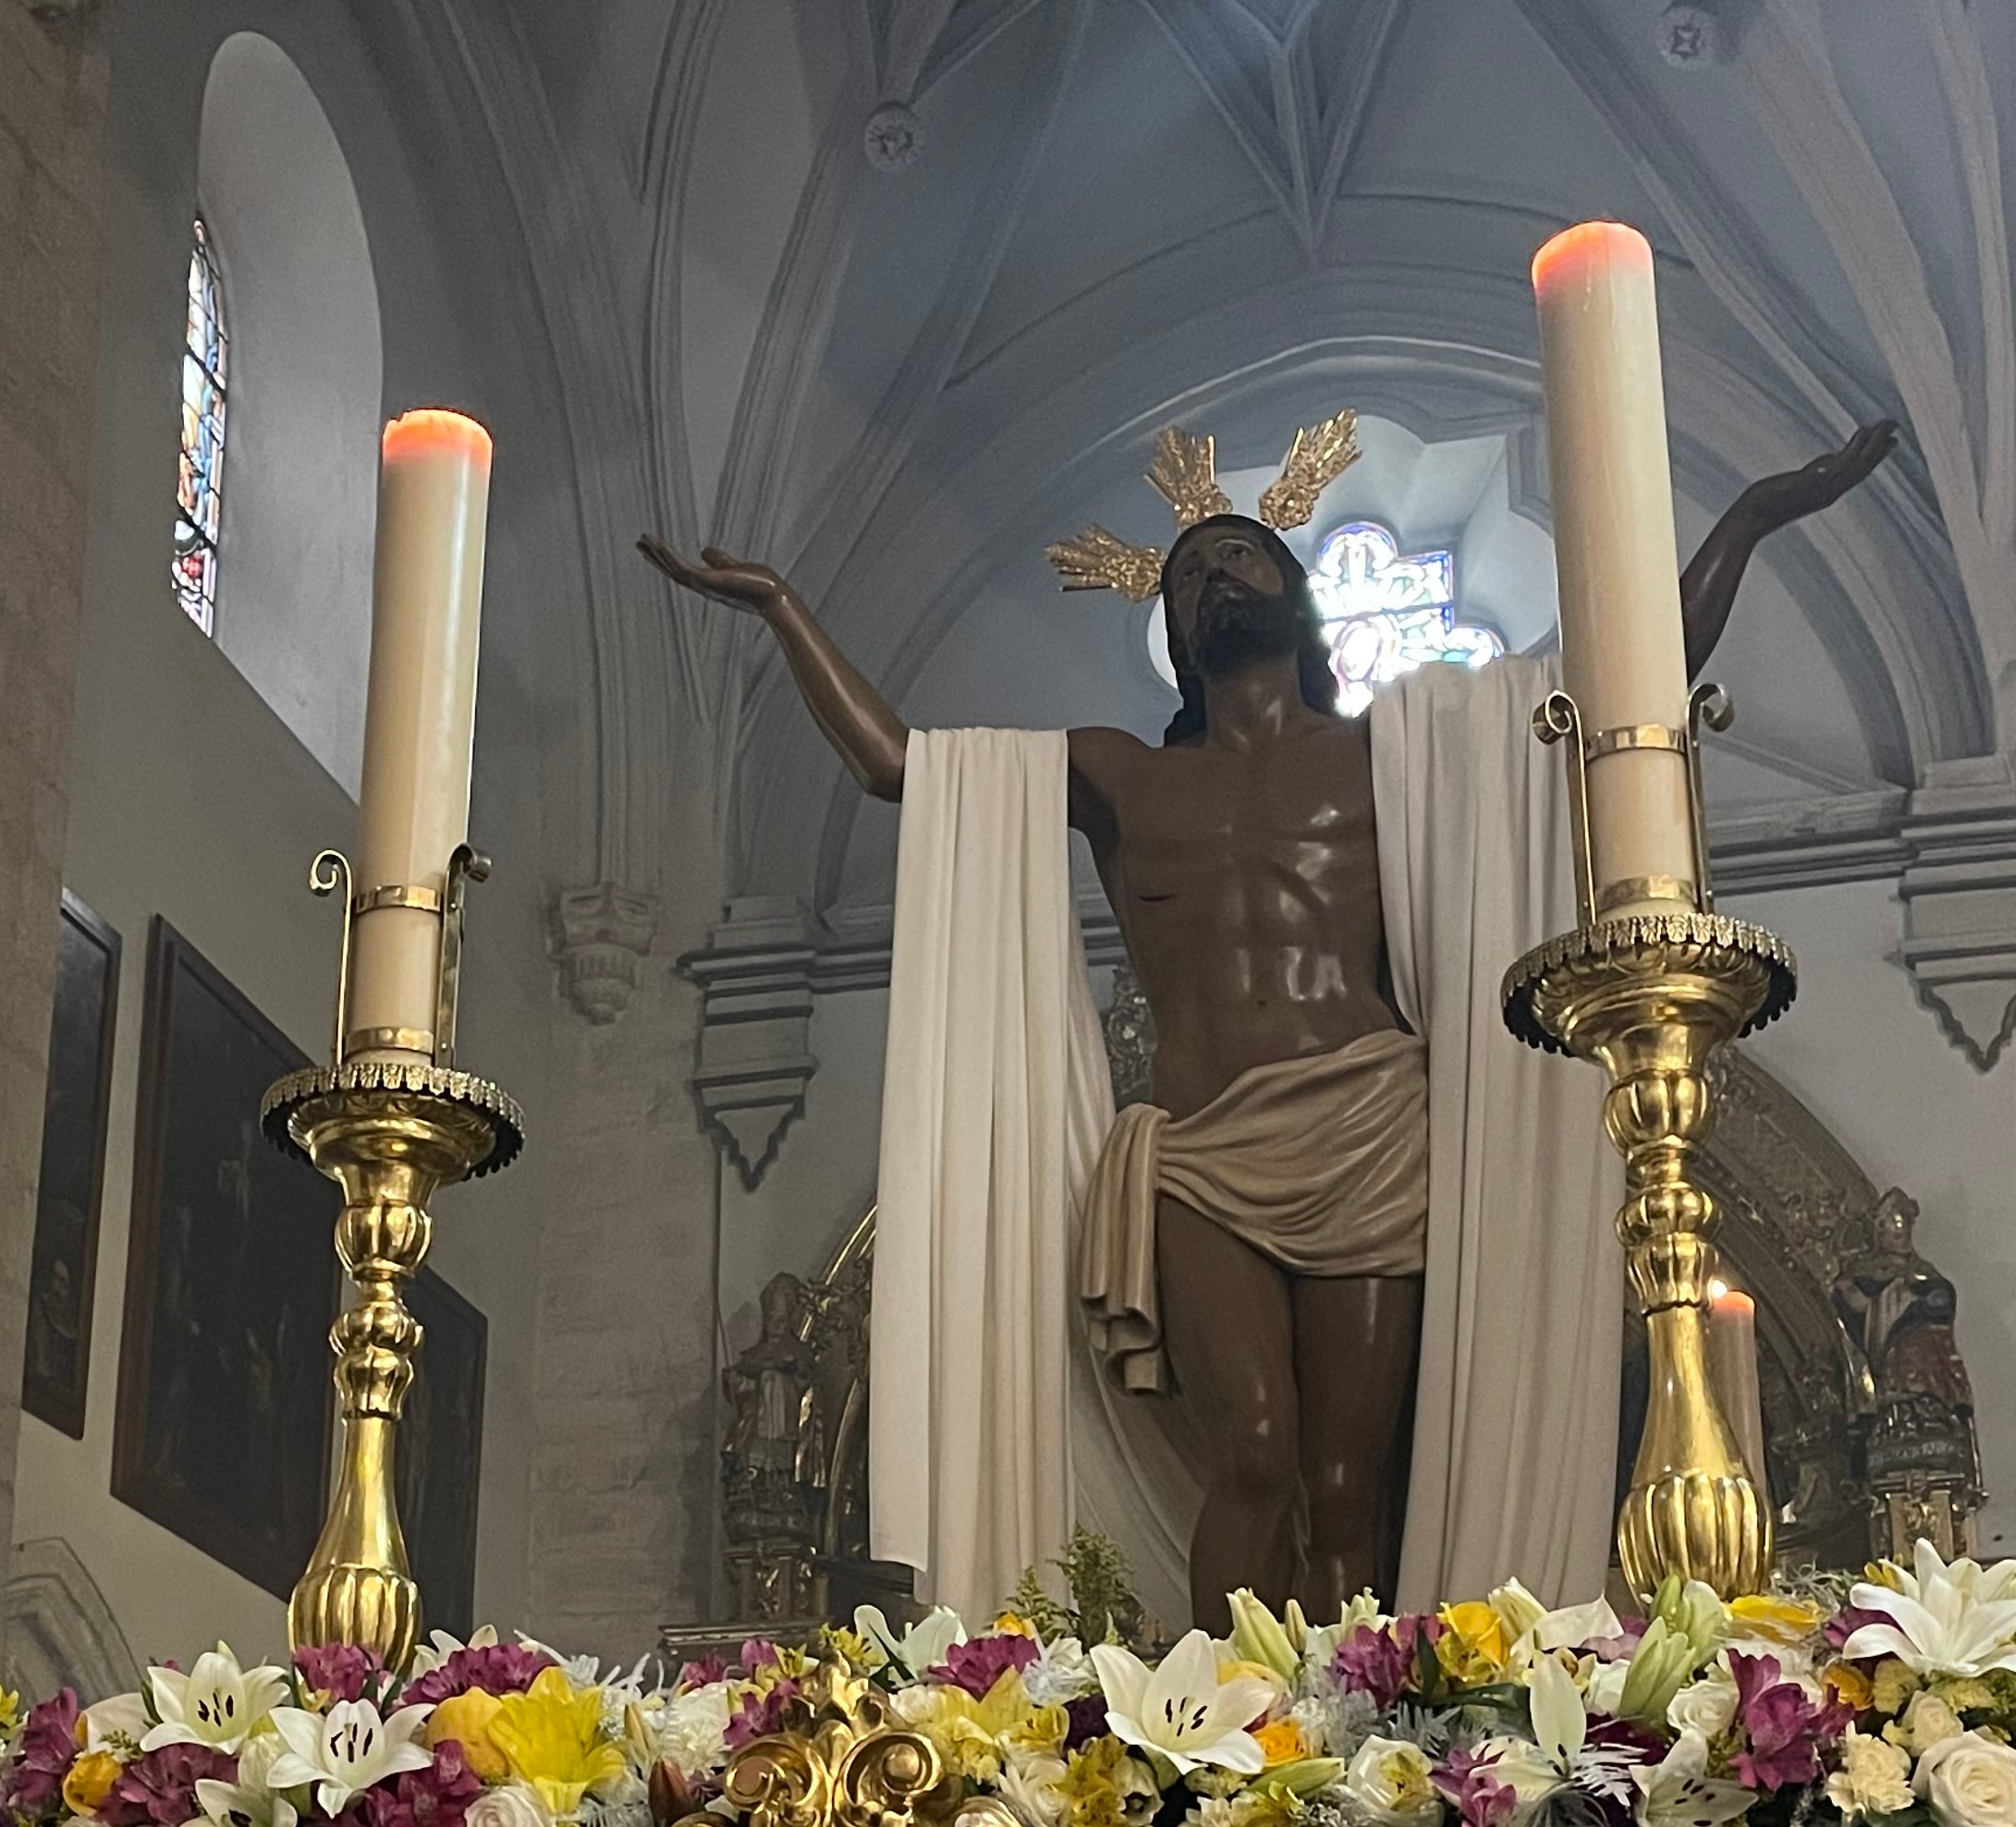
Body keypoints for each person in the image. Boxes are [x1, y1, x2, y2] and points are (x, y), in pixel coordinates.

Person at [646, 422, 1896, 1619]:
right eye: (1192, 574)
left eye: (1243, 556)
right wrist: (783, 612)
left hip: (1367, 1126)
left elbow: (1629, 657)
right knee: (1253, 1451)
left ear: (1298, 603)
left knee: (1347, 1487)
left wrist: (1753, 517)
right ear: (1177, 633)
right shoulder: (1122, 774)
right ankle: (1221, 1729)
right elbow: (899, 765)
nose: (1217, 575)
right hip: (1197, 1150)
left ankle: (1344, 1738)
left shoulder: (1401, 748)